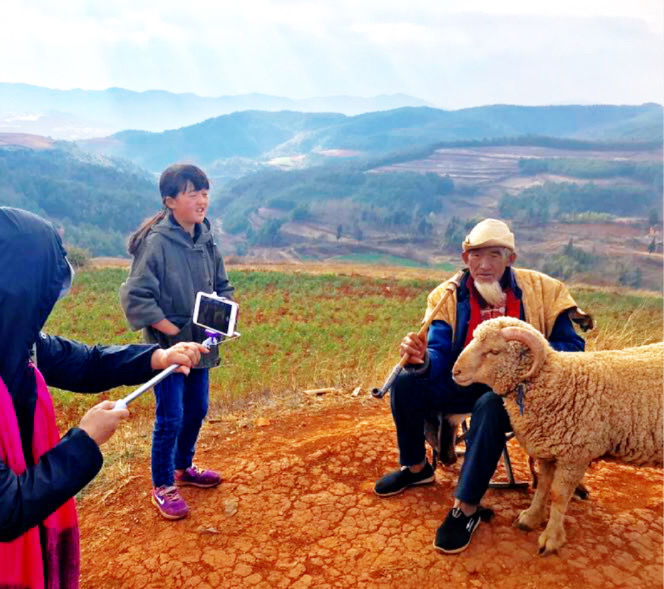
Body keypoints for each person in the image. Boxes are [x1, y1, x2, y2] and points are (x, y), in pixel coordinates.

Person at [0, 207, 207, 589]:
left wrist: (157, 357)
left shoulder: (17, 344)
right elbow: (7, 509)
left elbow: (86, 363)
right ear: (18, 294)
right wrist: (84, 440)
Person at [374, 218, 591, 554]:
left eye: (495, 255)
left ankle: (466, 508)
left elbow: (573, 348)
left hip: (519, 392)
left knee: (490, 404)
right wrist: (423, 359)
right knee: (405, 381)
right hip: (462, 380)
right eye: (476, 255)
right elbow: (439, 351)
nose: (484, 265)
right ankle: (416, 468)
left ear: (510, 259)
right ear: (465, 258)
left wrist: (524, 357)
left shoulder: (545, 291)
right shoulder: (448, 295)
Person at [120, 163, 235, 520]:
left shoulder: (206, 237)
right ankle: (163, 484)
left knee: (197, 408)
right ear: (170, 201)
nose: (202, 200)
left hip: (202, 344)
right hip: (168, 350)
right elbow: (136, 296)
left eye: (205, 192)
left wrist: (225, 315)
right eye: (192, 193)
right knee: (171, 415)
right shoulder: (156, 243)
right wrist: (171, 332)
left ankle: (183, 467)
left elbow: (223, 284)